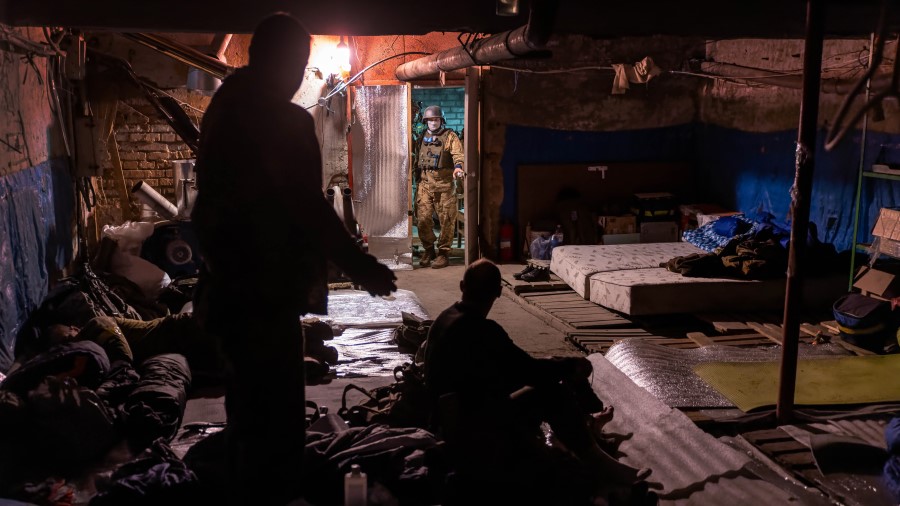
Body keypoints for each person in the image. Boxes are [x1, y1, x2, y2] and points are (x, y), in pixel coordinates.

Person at [190, 12, 397, 506]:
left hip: (229, 291)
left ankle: (249, 485)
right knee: (277, 415)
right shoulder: (279, 118)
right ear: (277, 61)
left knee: (248, 408)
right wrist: (361, 266)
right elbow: (306, 205)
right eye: (299, 64)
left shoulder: (225, 104)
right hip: (262, 294)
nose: (300, 76)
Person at [424, 259, 651, 504]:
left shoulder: (444, 319)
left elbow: (510, 368)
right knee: (550, 390)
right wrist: (570, 367)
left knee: (543, 379)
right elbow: (528, 370)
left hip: (446, 420)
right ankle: (599, 462)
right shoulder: (482, 331)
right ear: (500, 292)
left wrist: (554, 365)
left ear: (461, 286)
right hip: (470, 430)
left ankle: (588, 435)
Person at [414, 105, 464, 269]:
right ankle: (429, 250)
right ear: (425, 121)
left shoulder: (450, 136)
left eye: (436, 119)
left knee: (447, 221)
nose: (433, 123)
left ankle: (443, 253)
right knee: (422, 219)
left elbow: (458, 154)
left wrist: (458, 167)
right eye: (430, 120)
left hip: (444, 184)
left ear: (441, 120)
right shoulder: (422, 136)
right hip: (425, 183)